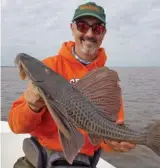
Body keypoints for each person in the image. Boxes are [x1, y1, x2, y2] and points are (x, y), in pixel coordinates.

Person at [8, 2, 136, 168]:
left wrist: (114, 144)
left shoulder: (107, 81)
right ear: (72, 28)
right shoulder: (48, 67)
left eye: (97, 28)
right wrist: (32, 107)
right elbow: (16, 126)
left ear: (103, 33)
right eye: (82, 26)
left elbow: (104, 138)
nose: (89, 34)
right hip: (37, 160)